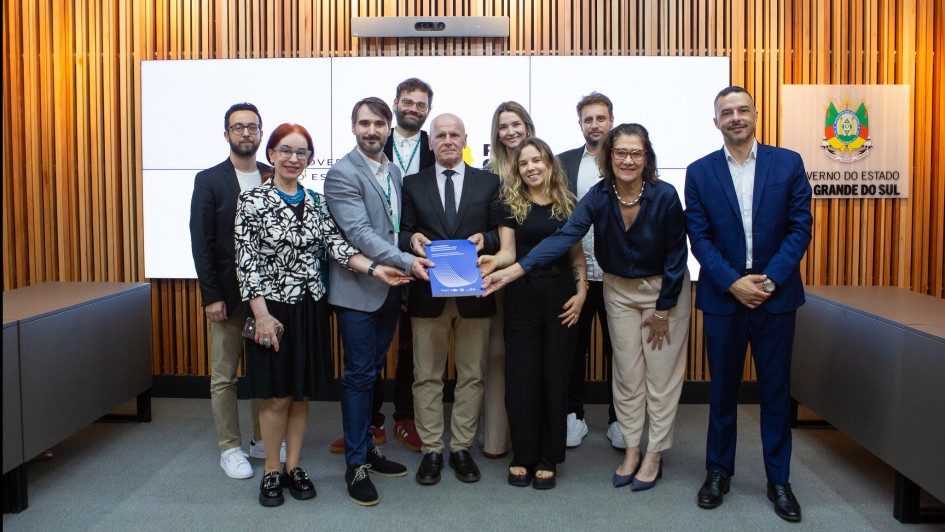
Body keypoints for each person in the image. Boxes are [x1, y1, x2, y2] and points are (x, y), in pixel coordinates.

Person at [483, 123, 690, 492]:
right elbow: (565, 237)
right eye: (620, 152)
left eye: (636, 153)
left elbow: (677, 256)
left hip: (663, 292)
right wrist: (518, 268)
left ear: (647, 157)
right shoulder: (597, 196)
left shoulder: (666, 195)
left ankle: (654, 454)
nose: (627, 160)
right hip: (618, 291)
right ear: (608, 157)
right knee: (626, 377)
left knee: (660, 380)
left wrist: (663, 309)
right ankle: (630, 450)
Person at [235, 123, 408, 507]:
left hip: (311, 309)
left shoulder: (314, 201)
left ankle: (295, 466)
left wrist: (377, 270)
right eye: (286, 150)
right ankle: (271, 471)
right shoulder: (252, 202)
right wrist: (261, 315)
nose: (293, 159)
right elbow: (247, 265)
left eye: (301, 153)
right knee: (277, 396)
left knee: (301, 396)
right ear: (272, 154)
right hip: (273, 312)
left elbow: (337, 247)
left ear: (310, 159)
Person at [685, 86, 812, 522]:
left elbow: (800, 227)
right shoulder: (700, 172)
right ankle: (718, 472)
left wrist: (770, 280)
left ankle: (779, 480)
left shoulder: (787, 163)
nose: (735, 117)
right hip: (725, 299)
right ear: (715, 121)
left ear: (755, 115)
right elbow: (699, 236)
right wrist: (734, 283)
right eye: (726, 112)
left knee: (775, 393)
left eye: (743, 110)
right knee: (721, 392)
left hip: (776, 301)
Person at [324, 97, 434, 506]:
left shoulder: (393, 170)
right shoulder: (341, 174)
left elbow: (394, 229)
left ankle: (367, 450)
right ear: (353, 127)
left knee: (370, 374)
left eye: (379, 124)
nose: (372, 130)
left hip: (390, 288)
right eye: (364, 123)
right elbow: (360, 234)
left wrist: (412, 244)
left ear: (389, 128)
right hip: (357, 291)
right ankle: (355, 465)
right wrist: (409, 259)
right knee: (357, 377)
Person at [478, 137, 587, 489]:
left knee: (555, 377)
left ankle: (548, 456)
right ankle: (523, 455)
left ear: (549, 163)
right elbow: (509, 252)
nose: (531, 167)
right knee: (522, 379)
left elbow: (576, 255)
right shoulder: (510, 202)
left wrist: (583, 292)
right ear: (517, 169)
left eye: (537, 160)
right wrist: (494, 261)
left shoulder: (567, 203)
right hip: (521, 296)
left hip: (561, 296)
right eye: (524, 163)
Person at [400, 113, 501, 486]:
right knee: (426, 376)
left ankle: (460, 448)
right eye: (440, 135)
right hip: (428, 294)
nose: (446, 140)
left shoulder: (489, 183)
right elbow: (403, 232)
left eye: (453, 134)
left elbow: (498, 233)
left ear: (465, 140)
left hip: (474, 294)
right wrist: (410, 242)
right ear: (430, 142)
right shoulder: (412, 184)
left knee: (472, 376)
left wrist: (485, 241)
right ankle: (431, 450)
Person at [190, 102, 283, 480]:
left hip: (270, 296)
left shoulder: (273, 174)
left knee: (265, 371)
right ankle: (230, 447)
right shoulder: (209, 180)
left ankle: (262, 441)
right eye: (238, 127)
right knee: (224, 375)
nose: (246, 133)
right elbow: (202, 242)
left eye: (252, 127)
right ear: (226, 134)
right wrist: (210, 295)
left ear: (262, 133)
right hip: (227, 297)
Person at [555, 92, 620, 449]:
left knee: (619, 351)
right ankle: (573, 416)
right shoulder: (563, 162)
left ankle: (619, 419)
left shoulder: (626, 158)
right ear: (580, 124)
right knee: (572, 349)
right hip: (575, 274)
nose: (594, 124)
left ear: (611, 120)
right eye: (588, 119)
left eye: (600, 118)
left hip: (617, 277)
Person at [477, 101, 538, 459]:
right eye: (503, 126)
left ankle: (533, 438)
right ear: (496, 134)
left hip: (541, 275)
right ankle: (497, 439)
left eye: (516, 124)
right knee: (498, 357)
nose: (511, 131)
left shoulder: (545, 165)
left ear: (528, 126)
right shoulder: (488, 174)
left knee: (531, 360)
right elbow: (485, 228)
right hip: (501, 275)